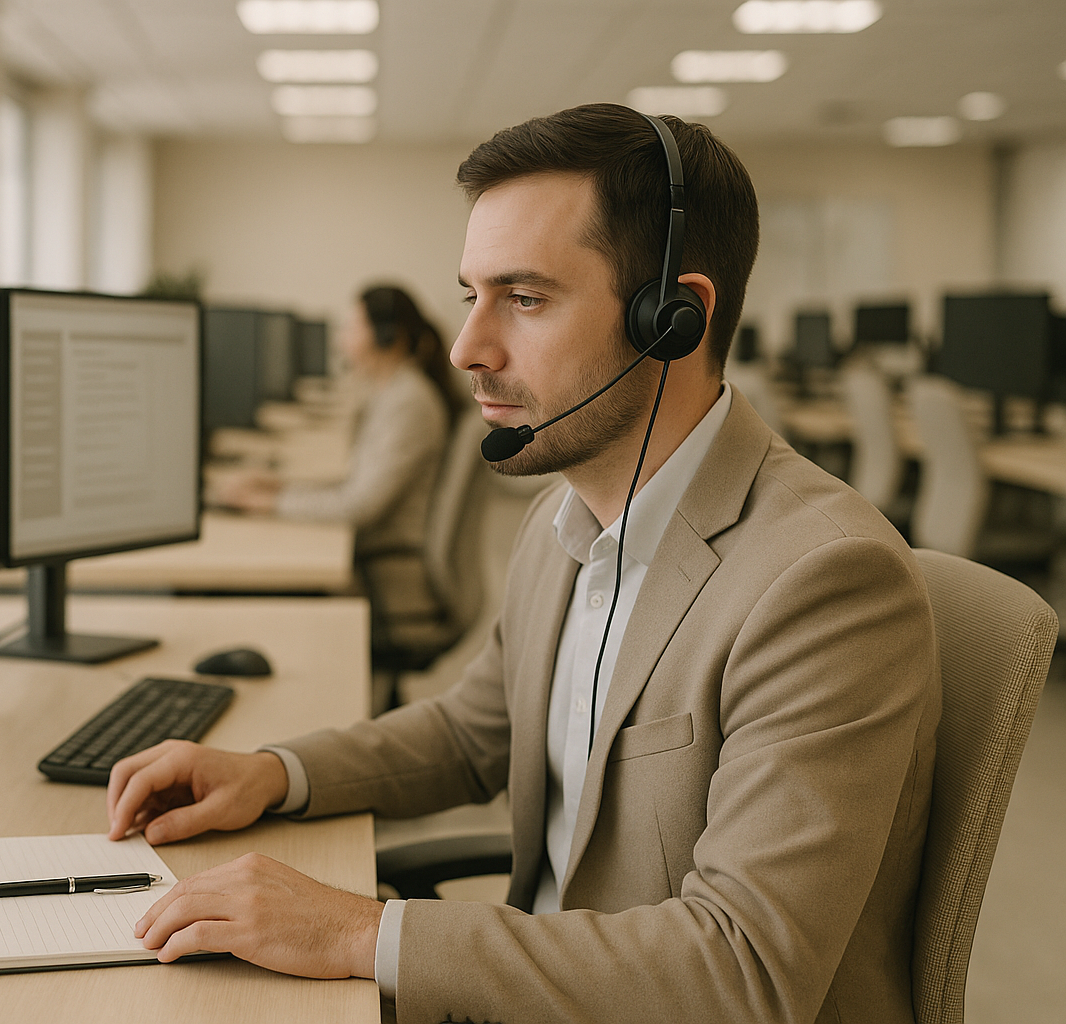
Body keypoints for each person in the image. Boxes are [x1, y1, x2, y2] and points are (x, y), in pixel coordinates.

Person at [106, 104, 940, 1024]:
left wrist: (360, 933)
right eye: (473, 295)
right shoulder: (567, 519)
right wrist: (273, 772)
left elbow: (741, 973)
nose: (468, 349)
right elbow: (475, 734)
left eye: (526, 298)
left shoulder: (822, 583)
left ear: (675, 320)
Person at [212, 286, 460, 657]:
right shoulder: (395, 393)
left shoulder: (409, 403)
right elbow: (360, 483)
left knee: (235, 593)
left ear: (386, 336)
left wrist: (269, 503)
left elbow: (358, 507)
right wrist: (280, 486)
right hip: (377, 556)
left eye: (351, 327)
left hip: (387, 572)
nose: (341, 338)